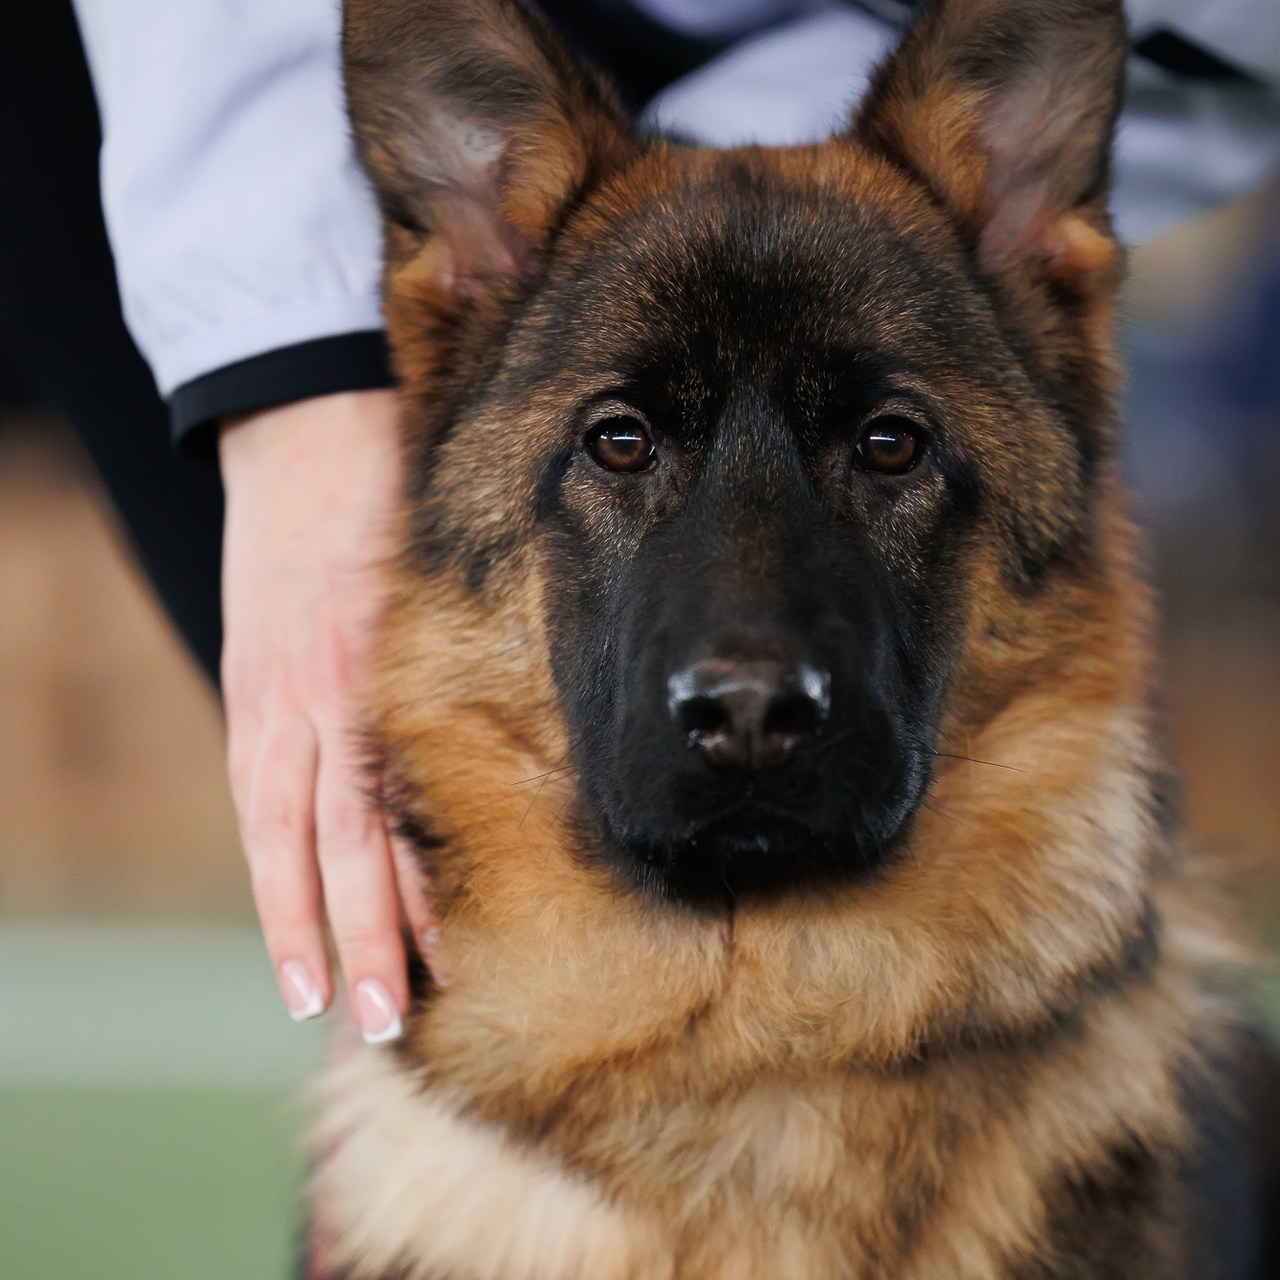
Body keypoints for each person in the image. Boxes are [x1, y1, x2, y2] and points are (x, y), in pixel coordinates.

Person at [22, 0, 1277, 1046]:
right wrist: (288, 378)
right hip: (254, 81)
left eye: (887, 446)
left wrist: (779, 227)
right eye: (621, 444)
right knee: (409, 893)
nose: (743, 684)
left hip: (895, 90)